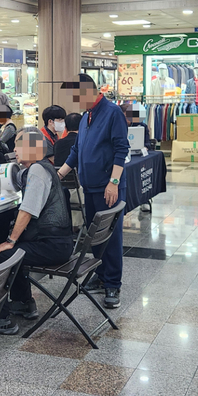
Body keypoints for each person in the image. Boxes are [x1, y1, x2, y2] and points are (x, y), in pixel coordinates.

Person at [0, 128, 74, 333]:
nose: (14, 149)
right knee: (16, 250)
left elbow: (27, 210)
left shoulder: (38, 171)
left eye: (18, 145)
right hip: (57, 242)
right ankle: (23, 302)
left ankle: (0, 318)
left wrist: (10, 241)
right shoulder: (41, 168)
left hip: (52, 246)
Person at [56, 74, 129, 309]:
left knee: (111, 236)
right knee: (95, 235)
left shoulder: (112, 112)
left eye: (76, 95)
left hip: (108, 187)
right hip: (90, 186)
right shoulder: (86, 116)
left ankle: (113, 284)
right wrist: (58, 175)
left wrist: (114, 182)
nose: (75, 101)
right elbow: (76, 151)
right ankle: (101, 275)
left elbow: (121, 149)